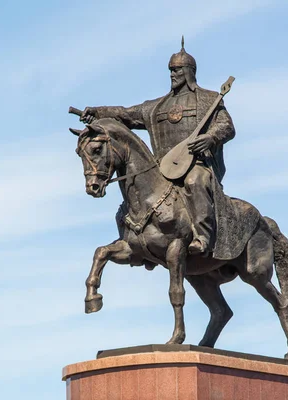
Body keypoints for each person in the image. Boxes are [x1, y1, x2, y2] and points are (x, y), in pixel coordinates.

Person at [81, 39, 235, 255]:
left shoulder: (209, 99)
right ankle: (135, 240)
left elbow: (226, 126)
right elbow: (126, 113)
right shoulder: (155, 107)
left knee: (195, 181)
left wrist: (211, 138)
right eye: (171, 70)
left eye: (177, 70)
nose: (173, 74)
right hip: (163, 168)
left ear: (190, 71)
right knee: (134, 196)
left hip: (195, 164)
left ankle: (203, 237)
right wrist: (98, 112)